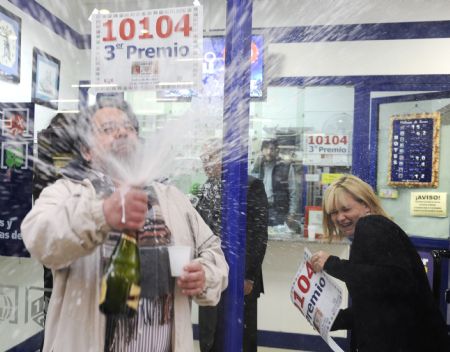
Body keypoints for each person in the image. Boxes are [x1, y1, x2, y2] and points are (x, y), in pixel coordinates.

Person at [21, 100, 229, 352]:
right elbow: (39, 238)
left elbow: (212, 249)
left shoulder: (171, 198)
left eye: (128, 127)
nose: (121, 132)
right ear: (87, 151)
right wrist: (102, 214)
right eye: (108, 128)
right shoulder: (67, 191)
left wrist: (205, 274)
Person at [310, 175, 450, 352]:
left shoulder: (371, 225)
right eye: (333, 212)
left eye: (345, 209)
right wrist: (334, 320)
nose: (340, 217)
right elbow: (380, 301)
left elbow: (393, 279)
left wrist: (332, 264)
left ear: (366, 205)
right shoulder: (375, 231)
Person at [197, 140, 268, 352]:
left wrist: (248, 276)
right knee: (211, 336)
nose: (205, 165)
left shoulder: (251, 186)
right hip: (212, 276)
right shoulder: (207, 187)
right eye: (203, 160)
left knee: (240, 338)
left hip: (241, 278)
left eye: (209, 159)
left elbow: (258, 236)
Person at [251, 138, 299, 228]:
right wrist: (256, 165)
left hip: (278, 212)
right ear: (261, 150)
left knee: (276, 238)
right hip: (259, 210)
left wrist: (292, 213)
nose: (269, 152)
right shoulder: (257, 167)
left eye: (272, 149)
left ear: (277, 151)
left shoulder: (286, 167)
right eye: (266, 149)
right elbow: (249, 185)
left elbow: (294, 192)